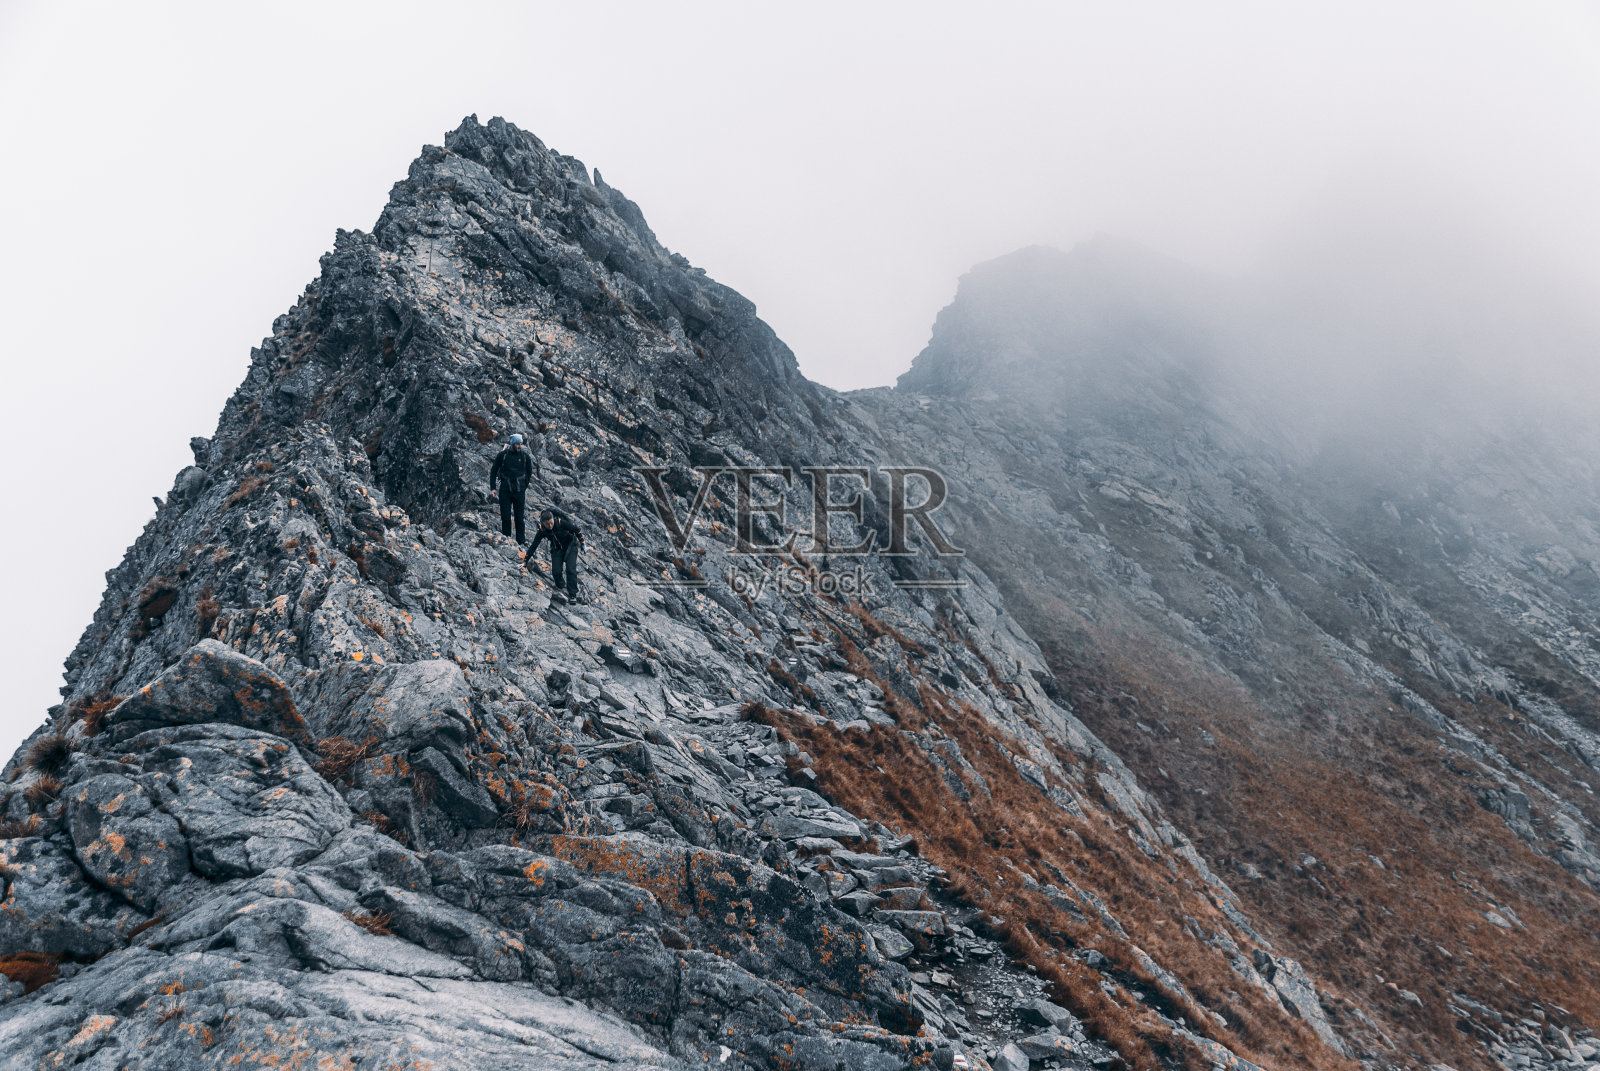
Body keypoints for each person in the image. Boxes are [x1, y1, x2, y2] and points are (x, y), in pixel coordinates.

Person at [528, 506, 584, 602]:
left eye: (551, 523)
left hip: (570, 546)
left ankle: (573, 594)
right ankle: (561, 586)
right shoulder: (542, 531)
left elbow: (576, 530)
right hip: (557, 548)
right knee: (556, 572)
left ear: (553, 519)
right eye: (547, 524)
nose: (550, 526)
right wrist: (525, 561)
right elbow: (533, 546)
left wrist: (582, 543)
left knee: (571, 569)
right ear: (542, 522)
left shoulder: (560, 522)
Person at [488, 434, 534, 542]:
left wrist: (524, 486)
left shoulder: (525, 457)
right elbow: (493, 471)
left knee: (519, 519)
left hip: (519, 492)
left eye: (520, 444)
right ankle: (506, 540)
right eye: (517, 444)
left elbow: (529, 472)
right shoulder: (502, 455)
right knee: (506, 518)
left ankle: (521, 542)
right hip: (505, 492)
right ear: (512, 444)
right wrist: (493, 488)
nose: (519, 446)